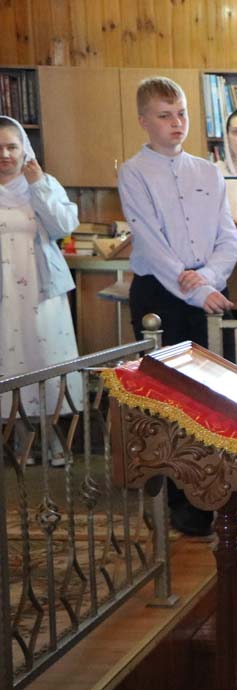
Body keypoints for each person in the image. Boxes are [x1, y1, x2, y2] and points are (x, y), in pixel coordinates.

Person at [117, 77, 237, 536]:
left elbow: (229, 238)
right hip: (159, 295)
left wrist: (207, 279)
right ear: (144, 121)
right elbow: (150, 242)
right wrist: (194, 290)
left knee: (215, 399)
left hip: (205, 289)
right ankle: (180, 501)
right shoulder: (134, 172)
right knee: (171, 401)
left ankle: (219, 495)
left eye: (182, 113)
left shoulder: (208, 172)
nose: (176, 123)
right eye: (165, 115)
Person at [0, 116, 81, 467]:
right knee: (8, 360)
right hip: (4, 294)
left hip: (39, 289)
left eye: (12, 147)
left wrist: (39, 186)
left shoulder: (42, 183)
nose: (5, 154)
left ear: (25, 150)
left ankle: (51, 436)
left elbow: (64, 226)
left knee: (44, 357)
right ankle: (19, 437)